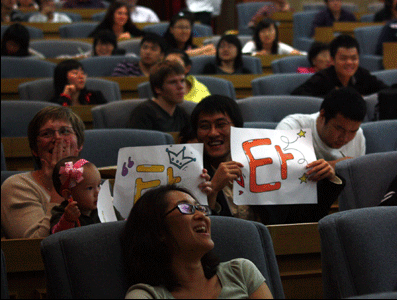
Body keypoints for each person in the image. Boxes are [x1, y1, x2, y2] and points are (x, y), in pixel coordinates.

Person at [191, 95, 345, 224]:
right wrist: (214, 190)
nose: (213, 133)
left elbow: (302, 218)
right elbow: (194, 229)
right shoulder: (191, 173)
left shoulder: (268, 162)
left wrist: (329, 177)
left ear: (237, 128)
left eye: (221, 125)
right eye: (204, 126)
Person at [121, 185, 273, 299]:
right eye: (186, 208)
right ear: (159, 230)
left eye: (200, 208)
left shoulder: (241, 272)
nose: (202, 215)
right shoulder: (145, 295)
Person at [1, 106, 85, 238]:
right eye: (47, 133)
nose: (57, 138)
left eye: (65, 131)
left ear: (79, 145)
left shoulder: (92, 182)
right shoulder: (16, 187)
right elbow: (35, 246)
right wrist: (58, 184)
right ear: (35, 149)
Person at [277, 87, 366, 168]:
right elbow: (280, 170)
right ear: (322, 115)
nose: (345, 138)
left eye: (352, 131)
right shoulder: (292, 127)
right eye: (339, 129)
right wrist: (336, 166)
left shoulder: (358, 135)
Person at [291, 34, 387, 97]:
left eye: (354, 58)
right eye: (343, 58)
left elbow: (386, 91)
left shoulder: (363, 74)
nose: (349, 62)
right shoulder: (323, 77)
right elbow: (297, 95)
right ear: (332, 60)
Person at [127, 60, 191, 134]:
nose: (180, 86)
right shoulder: (142, 114)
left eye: (182, 81)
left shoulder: (183, 114)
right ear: (157, 88)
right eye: (173, 82)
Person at [50, 157, 101, 234]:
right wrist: (67, 220)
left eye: (98, 185)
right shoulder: (62, 213)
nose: (98, 192)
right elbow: (56, 237)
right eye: (90, 188)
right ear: (68, 195)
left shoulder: (103, 208)